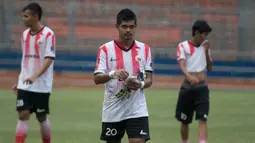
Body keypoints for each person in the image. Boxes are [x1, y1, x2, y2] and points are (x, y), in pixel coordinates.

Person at [93, 8, 153, 143]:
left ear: (136, 27)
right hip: (113, 108)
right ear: (117, 27)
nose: (128, 30)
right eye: (124, 26)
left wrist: (141, 84)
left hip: (137, 108)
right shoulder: (105, 49)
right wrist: (114, 74)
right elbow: (96, 79)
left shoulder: (145, 49)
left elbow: (149, 80)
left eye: (131, 27)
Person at [12, 2, 56, 143]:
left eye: (26, 16)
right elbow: (26, 59)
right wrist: (20, 80)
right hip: (25, 83)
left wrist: (35, 76)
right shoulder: (25, 35)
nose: (23, 19)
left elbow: (49, 58)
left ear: (35, 17)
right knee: (23, 114)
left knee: (41, 117)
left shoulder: (48, 34)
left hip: (42, 84)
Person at [175, 20, 213, 143]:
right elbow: (181, 64)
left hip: (202, 87)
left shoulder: (205, 47)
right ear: (196, 32)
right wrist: (189, 76)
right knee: (184, 120)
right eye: (204, 34)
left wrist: (207, 51)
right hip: (187, 87)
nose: (205, 37)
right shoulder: (183, 46)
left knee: (203, 118)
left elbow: (210, 68)